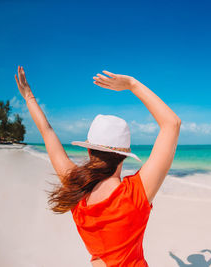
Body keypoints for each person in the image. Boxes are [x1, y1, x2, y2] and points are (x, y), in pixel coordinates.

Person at [14, 66, 181, 267]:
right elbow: (172, 123)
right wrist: (131, 84)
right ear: (124, 156)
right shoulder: (135, 194)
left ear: (89, 151)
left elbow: (47, 132)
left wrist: (29, 97)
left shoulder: (77, 188)